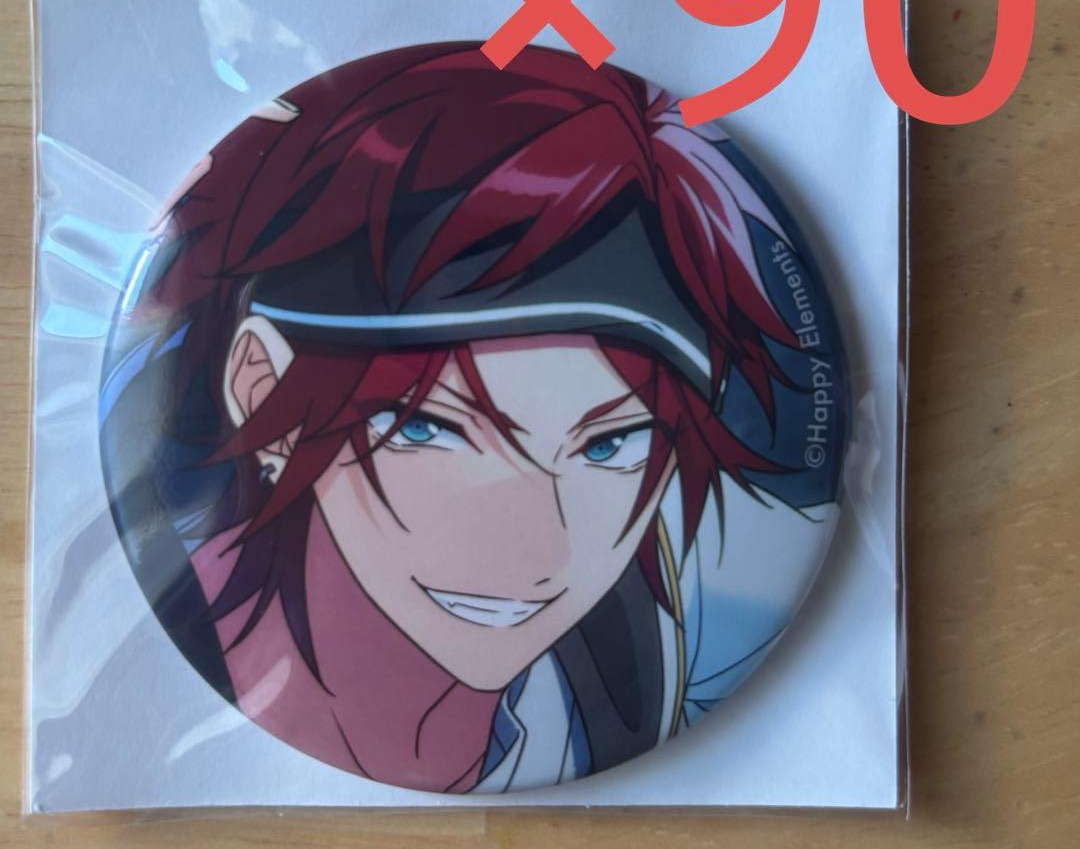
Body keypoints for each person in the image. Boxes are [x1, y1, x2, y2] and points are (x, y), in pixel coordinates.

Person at [99, 42, 843, 793]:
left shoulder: (655, 660)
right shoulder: (161, 646)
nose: (536, 552)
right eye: (429, 428)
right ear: (264, 394)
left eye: (609, 443)